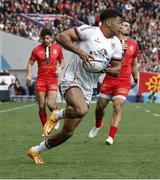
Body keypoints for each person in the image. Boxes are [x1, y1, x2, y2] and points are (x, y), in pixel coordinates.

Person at [27, 9, 123, 164]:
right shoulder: (89, 31)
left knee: (68, 132)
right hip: (72, 79)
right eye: (119, 23)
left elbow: (117, 70)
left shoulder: (116, 44)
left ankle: (35, 150)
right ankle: (56, 115)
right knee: (82, 109)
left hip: (88, 88)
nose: (120, 26)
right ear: (108, 22)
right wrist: (80, 52)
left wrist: (102, 68)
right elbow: (61, 36)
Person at [88, 21, 139, 145]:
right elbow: (102, 58)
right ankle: (98, 124)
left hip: (123, 81)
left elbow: (134, 63)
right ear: (119, 27)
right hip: (110, 79)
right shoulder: (110, 41)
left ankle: (111, 136)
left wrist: (135, 79)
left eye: (129, 26)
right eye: (126, 25)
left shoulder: (134, 44)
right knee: (99, 107)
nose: (128, 27)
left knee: (118, 106)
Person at [26, 28, 65, 132]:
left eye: (48, 38)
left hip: (53, 79)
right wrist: (29, 74)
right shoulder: (36, 50)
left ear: (51, 38)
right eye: (43, 38)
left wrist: (59, 68)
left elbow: (62, 62)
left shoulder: (58, 49)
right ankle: (46, 128)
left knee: (51, 104)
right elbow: (30, 63)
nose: (46, 40)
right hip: (41, 80)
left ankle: (56, 118)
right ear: (41, 39)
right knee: (42, 106)